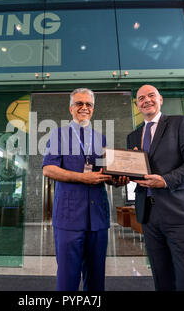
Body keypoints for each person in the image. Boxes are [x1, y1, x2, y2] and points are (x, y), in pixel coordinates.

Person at [127, 84, 184, 291]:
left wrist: (165, 180)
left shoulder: (180, 123)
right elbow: (136, 170)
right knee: (162, 279)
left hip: (181, 213)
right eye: (141, 98)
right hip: (150, 215)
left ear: (160, 99)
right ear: (137, 104)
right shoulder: (133, 137)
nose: (146, 100)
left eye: (151, 95)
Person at [42, 88, 119, 291]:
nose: (84, 107)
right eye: (79, 103)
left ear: (93, 109)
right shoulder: (58, 135)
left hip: (98, 218)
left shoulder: (101, 139)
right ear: (71, 108)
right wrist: (83, 178)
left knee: (96, 279)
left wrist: (119, 178)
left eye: (89, 104)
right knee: (68, 279)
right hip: (69, 217)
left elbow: (107, 173)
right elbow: (48, 169)